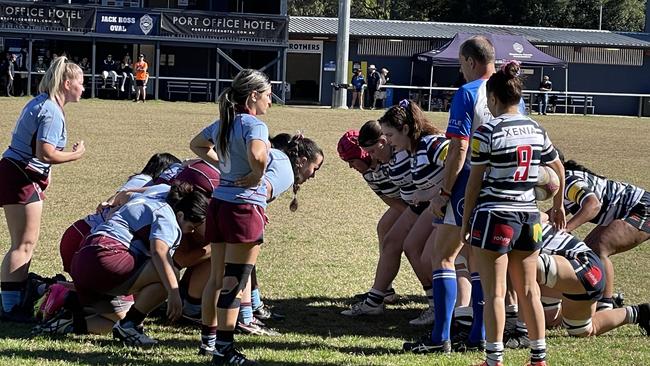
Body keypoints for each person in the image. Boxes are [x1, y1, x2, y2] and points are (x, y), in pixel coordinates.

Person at [461, 60, 566, 366]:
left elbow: (475, 183)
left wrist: (467, 220)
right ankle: (538, 359)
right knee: (530, 289)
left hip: (496, 215)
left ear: (492, 99)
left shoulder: (486, 131)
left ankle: (493, 360)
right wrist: (557, 204)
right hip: (529, 217)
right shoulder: (536, 128)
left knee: (496, 293)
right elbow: (558, 169)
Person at [190, 68, 272, 366]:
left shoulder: (223, 122)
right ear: (253, 96)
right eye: (267, 95)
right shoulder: (254, 125)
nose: (270, 101)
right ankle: (224, 350)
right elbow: (259, 155)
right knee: (235, 281)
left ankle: (208, 341)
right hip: (243, 208)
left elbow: (196, 145)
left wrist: (223, 167)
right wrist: (255, 174)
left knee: (216, 277)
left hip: (219, 205)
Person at [0, 56, 86, 321]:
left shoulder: (41, 103)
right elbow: (45, 153)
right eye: (81, 83)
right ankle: (10, 307)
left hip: (16, 173)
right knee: (24, 244)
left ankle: (11, 300)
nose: (83, 88)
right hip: (19, 176)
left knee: (21, 243)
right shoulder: (51, 110)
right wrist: (76, 155)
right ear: (67, 82)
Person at [70, 183, 208, 345]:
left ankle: (64, 314)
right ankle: (130, 326)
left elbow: (124, 194)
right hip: (107, 259)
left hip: (83, 259)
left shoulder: (155, 194)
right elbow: (159, 252)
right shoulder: (167, 216)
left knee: (111, 323)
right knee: (169, 275)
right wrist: (173, 292)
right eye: (191, 226)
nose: (191, 232)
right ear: (180, 215)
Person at [557, 153, 650, 312]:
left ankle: (606, 307)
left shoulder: (569, 181)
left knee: (598, 248)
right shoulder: (564, 185)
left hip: (642, 209)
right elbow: (556, 214)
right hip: (631, 209)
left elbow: (593, 205)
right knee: (587, 250)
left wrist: (565, 230)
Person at [536, 219, 650, 338]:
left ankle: (606, 304)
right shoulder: (524, 214)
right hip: (563, 269)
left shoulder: (520, 219)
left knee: (525, 271)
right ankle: (639, 313)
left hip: (584, 269)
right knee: (563, 324)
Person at [337, 128, 406, 312]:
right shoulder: (368, 169)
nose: (351, 166)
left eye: (352, 161)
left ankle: (433, 300)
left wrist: (413, 217)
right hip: (405, 204)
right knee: (384, 227)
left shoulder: (388, 159)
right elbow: (387, 198)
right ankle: (385, 289)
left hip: (419, 203)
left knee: (404, 243)